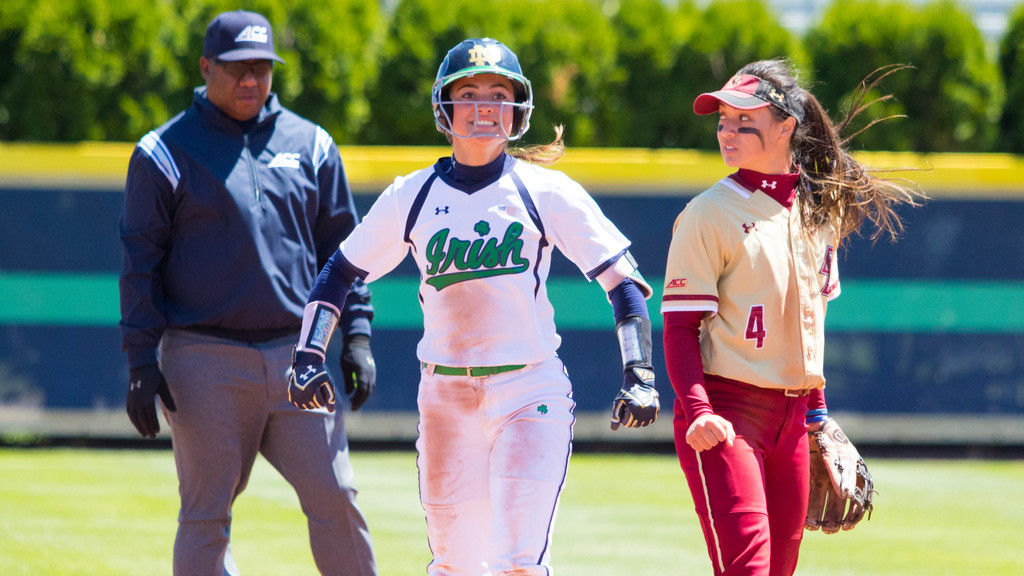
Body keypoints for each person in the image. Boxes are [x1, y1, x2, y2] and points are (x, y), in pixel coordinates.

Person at [285, 37, 660, 575]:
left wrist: (640, 369)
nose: (485, 106)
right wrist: (307, 355)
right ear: (445, 108)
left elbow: (622, 282)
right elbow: (339, 273)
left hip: (529, 391)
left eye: (499, 94)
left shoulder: (545, 191)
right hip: (445, 397)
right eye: (469, 92)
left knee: (519, 562)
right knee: (454, 564)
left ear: (518, 109)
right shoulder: (410, 196)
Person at [118, 10, 378, 575]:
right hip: (203, 358)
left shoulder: (311, 145)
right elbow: (140, 265)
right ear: (206, 67)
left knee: (336, 498)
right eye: (237, 69)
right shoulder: (163, 152)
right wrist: (141, 361)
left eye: (261, 68)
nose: (250, 81)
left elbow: (347, 251)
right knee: (206, 515)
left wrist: (357, 334)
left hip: (299, 357)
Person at [661, 60, 921, 576]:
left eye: (744, 121)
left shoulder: (813, 211)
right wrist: (698, 410)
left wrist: (818, 416)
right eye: (723, 122)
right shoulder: (707, 214)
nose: (727, 132)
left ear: (786, 127)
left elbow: (811, 320)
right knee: (748, 569)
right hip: (726, 414)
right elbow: (679, 328)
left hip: (794, 421)